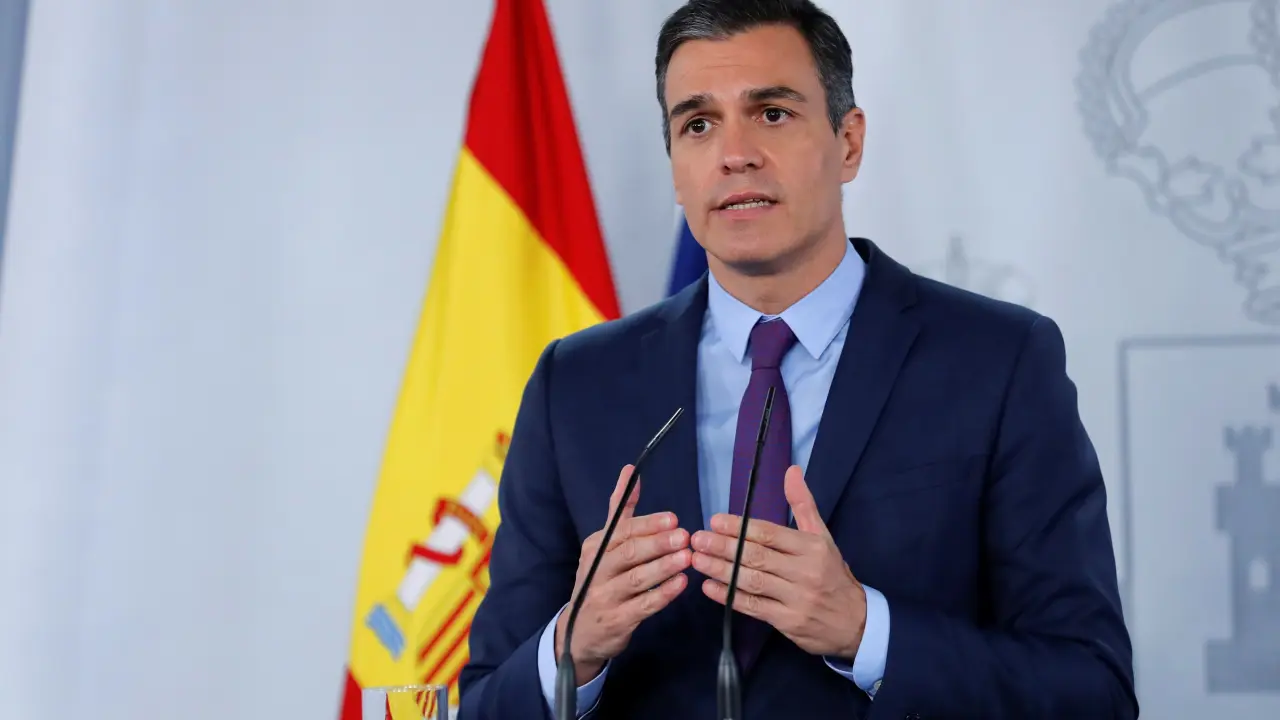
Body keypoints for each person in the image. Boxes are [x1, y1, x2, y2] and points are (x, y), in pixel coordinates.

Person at [457, 0, 1138, 717]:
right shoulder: (576, 385)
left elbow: (1092, 692)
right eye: (698, 124)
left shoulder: (997, 363)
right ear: (676, 169)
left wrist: (867, 631)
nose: (735, 153)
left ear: (849, 143)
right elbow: (483, 704)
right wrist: (574, 647)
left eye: (772, 113)